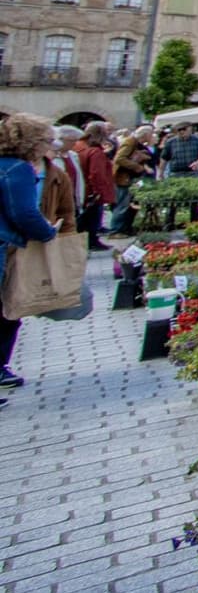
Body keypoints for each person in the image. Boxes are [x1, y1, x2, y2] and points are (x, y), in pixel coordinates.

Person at [0, 114, 65, 403]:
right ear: (31, 142)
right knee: (5, 310)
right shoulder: (17, 169)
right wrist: (48, 233)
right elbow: (23, 213)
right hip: (4, 244)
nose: (48, 147)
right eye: (46, 141)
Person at [75, 123, 115, 252]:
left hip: (81, 188)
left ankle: (87, 241)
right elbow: (96, 174)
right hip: (91, 190)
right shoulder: (94, 151)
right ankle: (92, 241)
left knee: (84, 218)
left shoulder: (77, 146)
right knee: (93, 217)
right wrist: (99, 192)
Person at [109, 124, 154, 235]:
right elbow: (119, 159)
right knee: (122, 205)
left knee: (131, 204)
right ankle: (116, 231)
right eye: (151, 134)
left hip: (132, 179)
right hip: (124, 178)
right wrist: (137, 167)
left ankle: (126, 228)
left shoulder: (136, 143)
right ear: (145, 134)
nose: (152, 136)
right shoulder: (129, 142)